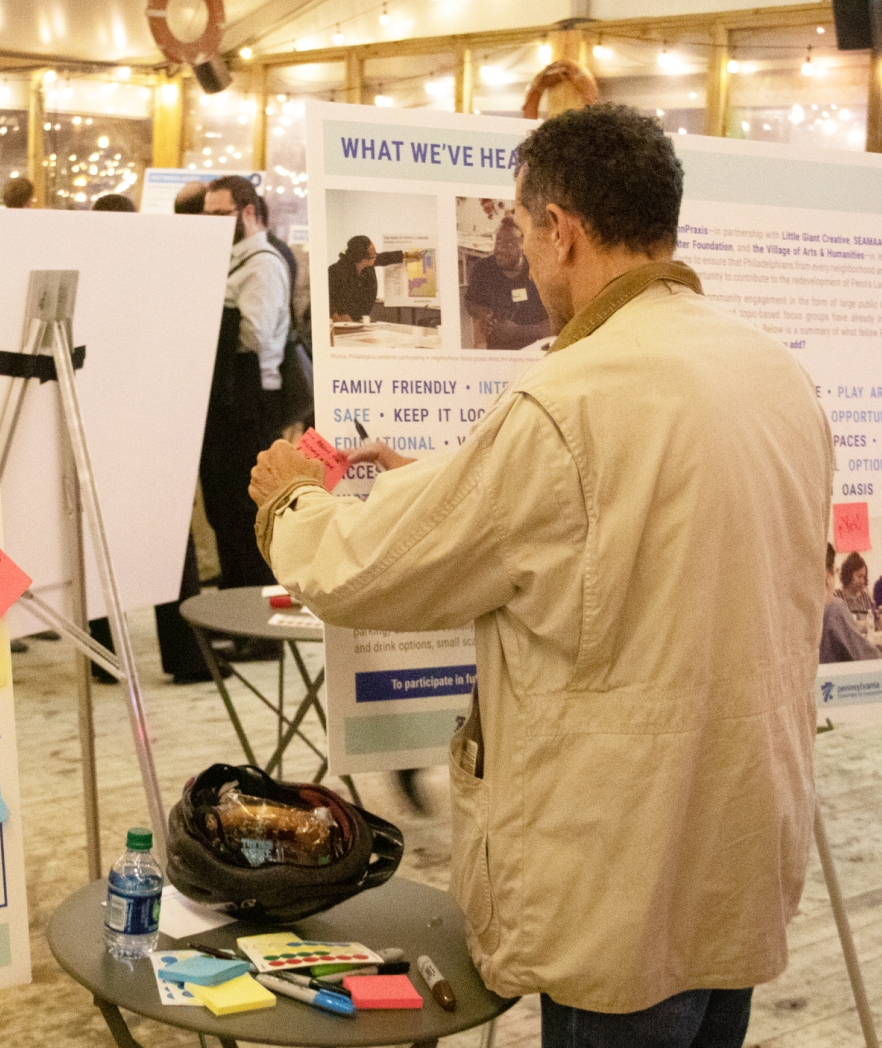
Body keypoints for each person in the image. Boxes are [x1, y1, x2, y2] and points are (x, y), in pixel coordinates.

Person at [247, 105, 831, 1047]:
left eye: (521, 229)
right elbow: (618, 518)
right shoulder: (769, 372)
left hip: (621, 859)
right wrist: (446, 479)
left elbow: (367, 572)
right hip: (735, 837)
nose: (518, 254)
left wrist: (291, 504)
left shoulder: (570, 395)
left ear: (561, 229)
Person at [200, 173, 291, 594]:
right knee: (226, 510)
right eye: (209, 215)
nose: (214, 223)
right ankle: (236, 604)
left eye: (221, 215)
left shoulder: (263, 264)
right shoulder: (233, 259)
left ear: (248, 212)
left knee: (245, 511)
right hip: (229, 397)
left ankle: (255, 615)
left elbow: (253, 335)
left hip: (251, 399)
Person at [465, 217, 552, 349]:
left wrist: (518, 332)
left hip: (535, 349)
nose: (500, 249)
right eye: (498, 241)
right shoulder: (482, 269)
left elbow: (556, 326)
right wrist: (483, 313)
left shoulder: (539, 271)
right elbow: (470, 302)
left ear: (524, 245)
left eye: (510, 244)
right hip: (496, 353)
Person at [822, 545, 882, 663]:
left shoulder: (866, 596)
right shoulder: (835, 605)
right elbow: (863, 654)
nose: (863, 580)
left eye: (864, 577)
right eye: (859, 576)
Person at [326, 235, 404, 321]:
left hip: (359, 320)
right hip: (340, 322)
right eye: (374, 254)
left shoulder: (365, 265)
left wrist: (407, 255)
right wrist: (336, 316)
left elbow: (385, 257)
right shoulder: (334, 271)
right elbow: (327, 297)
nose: (376, 256)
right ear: (364, 261)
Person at [839, 550, 873, 618]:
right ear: (848, 575)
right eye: (859, 576)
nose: (862, 581)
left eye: (864, 577)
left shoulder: (865, 597)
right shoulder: (838, 596)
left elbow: (873, 621)